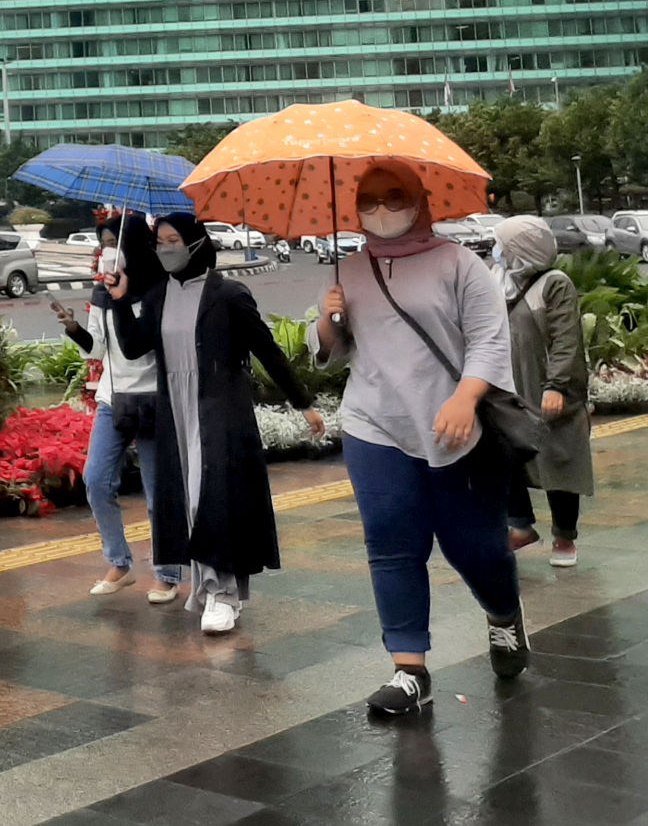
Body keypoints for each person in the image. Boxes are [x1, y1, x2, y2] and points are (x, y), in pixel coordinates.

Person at [313, 162, 523, 718]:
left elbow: (488, 338)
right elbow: (336, 353)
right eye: (370, 200)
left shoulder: (459, 263)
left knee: (473, 546)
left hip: (457, 429)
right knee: (391, 544)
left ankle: (503, 616)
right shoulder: (349, 269)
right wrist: (328, 322)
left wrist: (465, 397)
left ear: (421, 201)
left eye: (394, 196)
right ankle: (410, 670)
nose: (382, 210)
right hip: (373, 426)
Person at [111, 213, 322, 636]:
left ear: (195, 243)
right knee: (188, 504)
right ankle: (210, 590)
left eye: (173, 240)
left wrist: (304, 404)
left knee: (209, 501)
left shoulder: (228, 295)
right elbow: (134, 347)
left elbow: (268, 351)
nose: (164, 248)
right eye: (160, 242)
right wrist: (119, 299)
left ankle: (223, 594)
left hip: (219, 414)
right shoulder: (157, 296)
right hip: (177, 412)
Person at [55, 214, 183, 604]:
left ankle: (168, 571)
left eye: (116, 242)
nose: (109, 251)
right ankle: (119, 562)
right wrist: (75, 328)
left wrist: (123, 299)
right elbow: (97, 348)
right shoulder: (102, 292)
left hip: (153, 399)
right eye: (104, 243)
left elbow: (141, 346)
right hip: (114, 399)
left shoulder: (160, 289)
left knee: (156, 493)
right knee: (95, 480)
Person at [492, 215, 592, 567]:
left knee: (559, 459)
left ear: (521, 249)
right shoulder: (498, 280)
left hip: (548, 386)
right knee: (503, 456)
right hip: (509, 387)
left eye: (503, 245)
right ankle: (520, 527)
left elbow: (567, 339)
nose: (497, 251)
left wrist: (558, 386)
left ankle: (565, 536)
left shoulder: (555, 284)